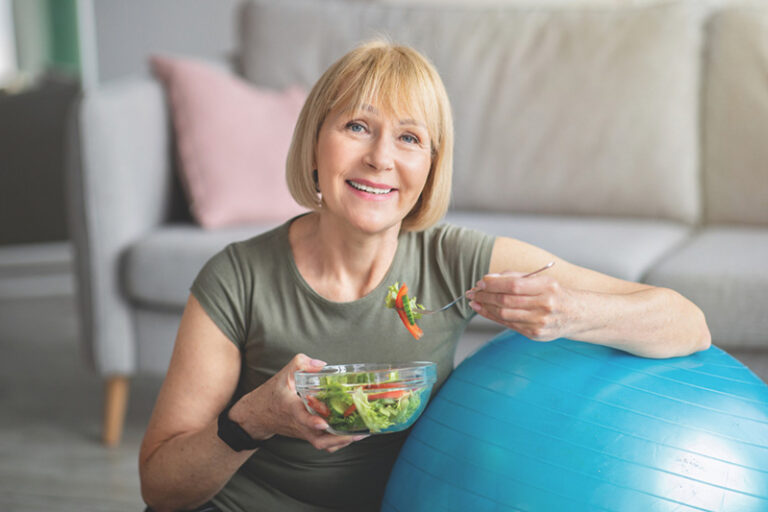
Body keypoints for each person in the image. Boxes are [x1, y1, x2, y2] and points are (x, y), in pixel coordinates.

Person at [139, 40, 711, 512]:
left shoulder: (454, 261)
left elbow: (686, 323)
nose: (381, 158)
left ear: (431, 167)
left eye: (410, 138)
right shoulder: (236, 277)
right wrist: (254, 419)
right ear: (315, 143)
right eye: (357, 127)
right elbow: (161, 489)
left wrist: (572, 313)